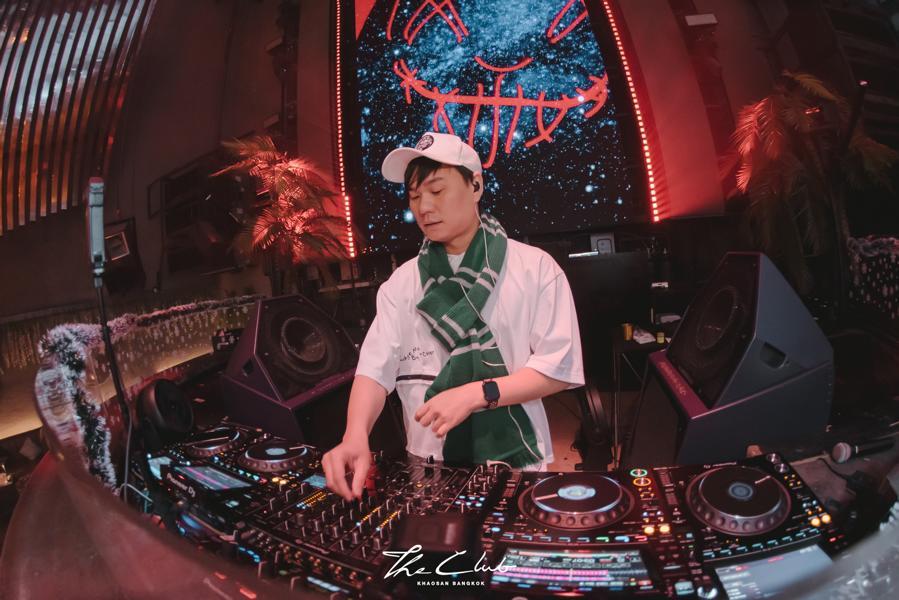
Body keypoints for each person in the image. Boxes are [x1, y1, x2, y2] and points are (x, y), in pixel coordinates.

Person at [322, 132, 584, 501]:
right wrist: (354, 435)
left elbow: (558, 367)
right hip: (428, 459)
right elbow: (375, 370)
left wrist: (478, 393)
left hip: (515, 462)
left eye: (437, 190)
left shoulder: (534, 268)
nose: (424, 207)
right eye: (414, 196)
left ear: (475, 185)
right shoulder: (402, 283)